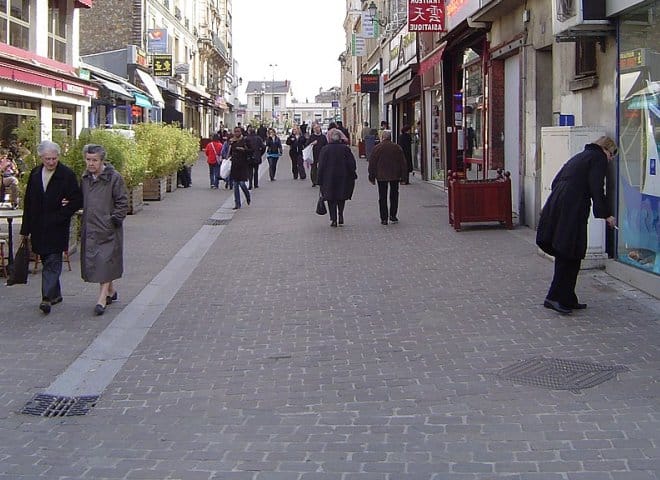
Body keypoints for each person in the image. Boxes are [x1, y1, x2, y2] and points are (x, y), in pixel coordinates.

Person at [536, 136, 618, 315]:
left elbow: (556, 181)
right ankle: (555, 296)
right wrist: (606, 214)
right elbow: (597, 187)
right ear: (606, 149)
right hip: (572, 207)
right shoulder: (598, 158)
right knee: (569, 251)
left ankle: (567, 297)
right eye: (611, 155)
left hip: (561, 204)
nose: (611, 159)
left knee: (569, 250)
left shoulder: (581, 156)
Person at [19, 140, 83, 315]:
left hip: (56, 226)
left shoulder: (66, 174)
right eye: (47, 159)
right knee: (47, 259)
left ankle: (46, 297)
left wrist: (63, 213)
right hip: (39, 225)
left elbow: (77, 199)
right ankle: (56, 294)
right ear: (41, 158)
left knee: (53, 260)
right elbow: (28, 203)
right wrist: (25, 229)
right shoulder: (34, 174)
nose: (51, 162)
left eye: (54, 158)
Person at [79, 144, 129, 316]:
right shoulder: (85, 178)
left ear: (102, 161)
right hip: (91, 227)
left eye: (95, 160)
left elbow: (123, 201)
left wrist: (114, 219)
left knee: (106, 261)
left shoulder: (114, 178)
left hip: (108, 227)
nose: (91, 164)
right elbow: (81, 198)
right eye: (88, 160)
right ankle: (111, 290)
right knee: (100, 262)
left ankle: (101, 299)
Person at [317, 129, 357, 228]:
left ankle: (333, 219)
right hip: (343, 177)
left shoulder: (325, 149)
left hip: (328, 178)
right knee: (341, 197)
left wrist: (319, 179)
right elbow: (352, 164)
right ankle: (340, 214)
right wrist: (353, 174)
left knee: (331, 198)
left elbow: (321, 165)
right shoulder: (345, 149)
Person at [368, 130, 407, 225]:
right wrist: (403, 177)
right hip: (395, 175)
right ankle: (393, 215)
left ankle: (384, 218)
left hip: (381, 176)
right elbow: (403, 163)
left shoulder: (377, 148)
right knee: (394, 195)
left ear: (382, 137)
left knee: (382, 196)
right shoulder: (397, 147)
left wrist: (371, 176)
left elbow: (372, 163)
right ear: (390, 137)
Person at [228, 126, 251, 209]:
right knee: (235, 185)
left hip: (243, 165)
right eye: (235, 131)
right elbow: (230, 152)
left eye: (238, 131)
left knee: (242, 184)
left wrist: (243, 150)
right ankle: (237, 203)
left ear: (241, 132)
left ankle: (247, 195)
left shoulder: (245, 140)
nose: (236, 133)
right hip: (234, 165)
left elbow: (250, 150)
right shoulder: (232, 141)